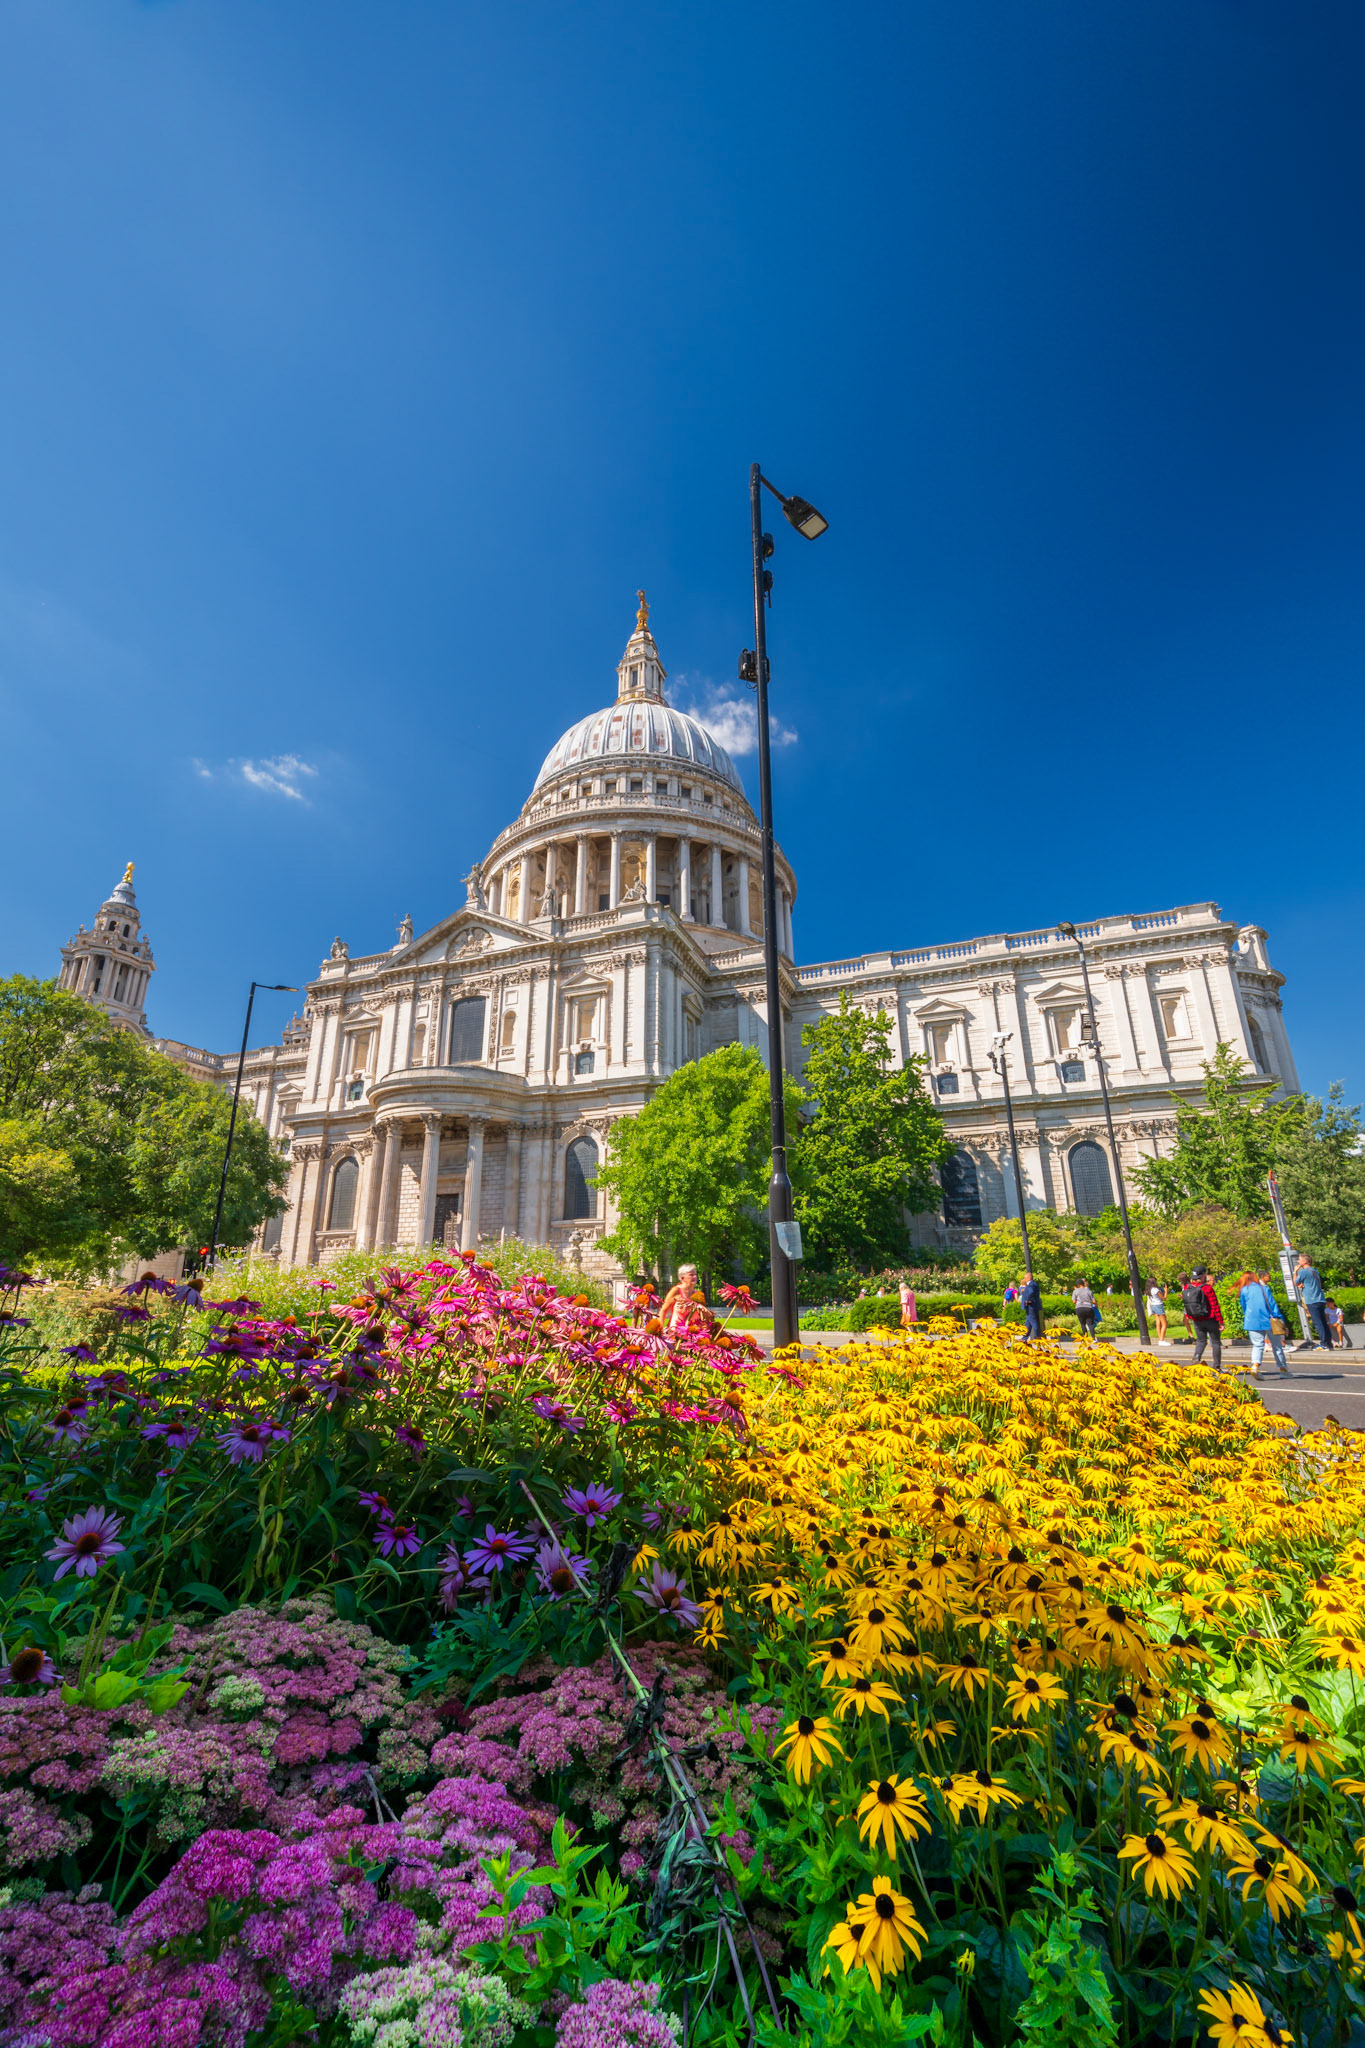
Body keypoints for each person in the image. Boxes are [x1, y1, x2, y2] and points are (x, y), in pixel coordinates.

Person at [1239, 1268, 1289, 1377]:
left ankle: (1255, 1367)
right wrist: (1282, 1322)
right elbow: (1272, 1306)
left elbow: (1244, 1306)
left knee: (1257, 1345)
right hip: (1268, 1321)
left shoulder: (1243, 1290)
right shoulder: (1264, 1289)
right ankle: (1283, 1369)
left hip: (1251, 1321)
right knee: (1277, 1346)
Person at [1183, 1267, 1223, 1370]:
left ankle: (1196, 1358)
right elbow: (1215, 1306)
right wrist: (1220, 1322)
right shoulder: (1207, 1288)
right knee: (1215, 1342)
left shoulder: (1188, 1287)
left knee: (1201, 1341)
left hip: (1197, 1320)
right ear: (1203, 1274)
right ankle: (1216, 1367)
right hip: (1210, 1319)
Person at [1294, 1253, 1332, 1351]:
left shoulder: (1303, 1272)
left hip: (1312, 1300)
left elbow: (1296, 1282)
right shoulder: (1314, 1270)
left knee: (1318, 1323)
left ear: (1304, 1261)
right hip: (1320, 1299)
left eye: (1299, 1260)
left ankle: (1323, 1344)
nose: (1298, 1261)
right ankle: (1329, 1343)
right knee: (1323, 1322)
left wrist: (1295, 1272)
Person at [660, 1264, 706, 1332]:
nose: (695, 1277)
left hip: (692, 1337)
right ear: (682, 1277)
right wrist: (660, 1329)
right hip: (675, 1336)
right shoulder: (676, 1291)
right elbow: (663, 1310)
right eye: (691, 1275)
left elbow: (703, 1316)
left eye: (695, 1274)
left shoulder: (698, 1295)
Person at [1071, 1275, 1098, 1340]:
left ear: (1078, 1285)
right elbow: (1094, 1301)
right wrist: (1096, 1305)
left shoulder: (1075, 1291)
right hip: (1088, 1308)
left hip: (1079, 1308)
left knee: (1083, 1324)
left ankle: (1085, 1338)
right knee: (1090, 1324)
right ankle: (1093, 1338)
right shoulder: (1089, 1291)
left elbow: (1074, 1301)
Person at [1020, 1270, 1043, 1341]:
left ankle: (1037, 1336)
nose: (1025, 1279)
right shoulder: (1034, 1284)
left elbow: (1031, 1292)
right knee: (1028, 1323)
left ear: (1029, 1278)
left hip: (1031, 1306)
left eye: (1025, 1278)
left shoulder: (1031, 1284)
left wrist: (1027, 1300)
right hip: (1033, 1305)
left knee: (1033, 1322)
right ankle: (1024, 1337)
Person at [1145, 1278, 1168, 1345]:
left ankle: (1160, 1338)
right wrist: (1166, 1291)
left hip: (1153, 1306)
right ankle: (1161, 1340)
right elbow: (1164, 1298)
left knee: (1158, 1323)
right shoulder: (1155, 1289)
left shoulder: (1149, 1290)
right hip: (1158, 1305)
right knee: (1164, 1324)